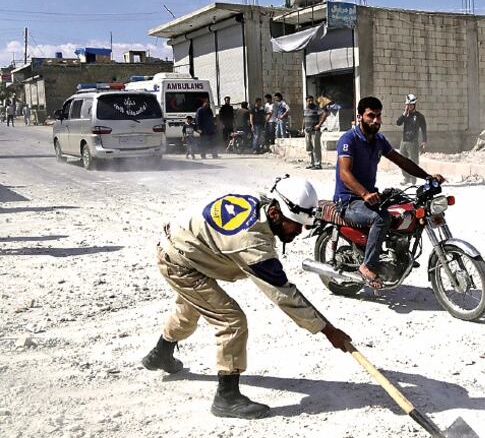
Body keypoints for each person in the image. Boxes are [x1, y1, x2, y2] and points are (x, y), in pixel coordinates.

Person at [141, 177, 353, 419]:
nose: (299, 230)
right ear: (274, 213)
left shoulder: (260, 204)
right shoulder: (253, 244)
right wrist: (328, 330)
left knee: (191, 307)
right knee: (231, 321)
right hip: (180, 261)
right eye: (295, 224)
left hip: (188, 247)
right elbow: (285, 295)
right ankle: (227, 397)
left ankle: (160, 354)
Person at [334, 96, 445, 289]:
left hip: (369, 196)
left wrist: (427, 177)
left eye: (378, 116)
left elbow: (401, 161)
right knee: (382, 218)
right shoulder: (348, 139)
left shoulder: (379, 140)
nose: (376, 120)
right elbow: (344, 173)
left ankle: (399, 255)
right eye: (371, 116)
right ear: (360, 116)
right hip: (349, 200)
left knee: (406, 207)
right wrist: (364, 194)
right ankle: (367, 266)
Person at [396, 93, 428, 184]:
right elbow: (398, 123)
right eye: (407, 105)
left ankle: (413, 179)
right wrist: (404, 113)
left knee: (413, 162)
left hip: (413, 142)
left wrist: (424, 140)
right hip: (404, 141)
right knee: (402, 161)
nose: (409, 107)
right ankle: (406, 178)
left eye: (410, 105)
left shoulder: (419, 116)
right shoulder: (405, 116)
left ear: (414, 105)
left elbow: (423, 128)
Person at [302, 95, 329, 170]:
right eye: (309, 101)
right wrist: (302, 128)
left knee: (316, 148)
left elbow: (324, 114)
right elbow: (304, 119)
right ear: (306, 101)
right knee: (309, 148)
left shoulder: (316, 108)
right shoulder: (305, 109)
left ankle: (317, 164)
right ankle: (311, 163)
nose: (310, 102)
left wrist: (319, 125)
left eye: (311, 101)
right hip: (307, 131)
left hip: (315, 131)